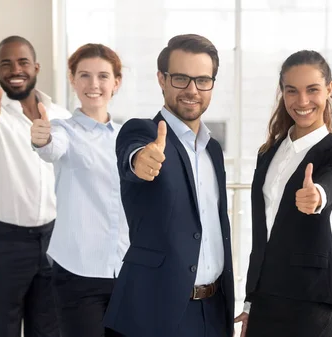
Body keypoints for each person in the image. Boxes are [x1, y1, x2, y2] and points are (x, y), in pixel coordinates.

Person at [103, 34, 234, 337]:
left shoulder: (212, 149)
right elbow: (132, 155)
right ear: (161, 79)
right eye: (180, 78)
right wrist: (141, 161)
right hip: (155, 312)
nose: (192, 90)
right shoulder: (143, 132)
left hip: (213, 310)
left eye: (203, 80)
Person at [233, 50, 332, 337]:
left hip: (311, 305)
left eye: (312, 90)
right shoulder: (268, 153)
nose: (302, 101)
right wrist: (250, 303)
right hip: (265, 301)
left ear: (329, 89)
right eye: (292, 91)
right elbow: (261, 234)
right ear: (282, 93)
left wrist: (317, 194)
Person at [0, 35, 69, 337]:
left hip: (53, 242)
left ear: (35, 67)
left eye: (22, 61)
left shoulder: (60, 116)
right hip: (6, 244)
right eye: (6, 64)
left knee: (48, 330)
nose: (15, 69)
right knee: (3, 329)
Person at [30, 43, 129, 337]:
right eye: (84, 75)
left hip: (125, 271)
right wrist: (41, 140)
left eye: (103, 76)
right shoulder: (63, 130)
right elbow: (50, 148)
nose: (94, 84)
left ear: (116, 82)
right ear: (72, 80)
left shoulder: (129, 135)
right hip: (78, 272)